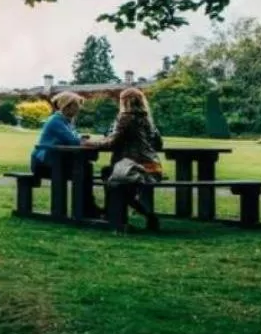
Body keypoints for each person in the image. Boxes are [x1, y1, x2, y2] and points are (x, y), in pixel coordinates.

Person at [90, 88, 164, 230]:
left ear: (124, 101)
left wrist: (89, 143)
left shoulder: (126, 117)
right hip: (153, 168)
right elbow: (159, 143)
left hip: (134, 168)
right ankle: (141, 215)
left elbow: (111, 141)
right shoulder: (148, 119)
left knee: (113, 179)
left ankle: (117, 218)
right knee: (112, 176)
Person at [30, 91, 102, 217]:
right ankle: (86, 209)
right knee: (84, 169)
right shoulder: (56, 121)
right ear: (66, 106)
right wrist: (83, 140)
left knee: (86, 167)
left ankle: (87, 208)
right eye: (76, 105)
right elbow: (73, 141)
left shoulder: (67, 121)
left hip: (56, 161)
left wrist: (81, 138)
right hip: (44, 164)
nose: (79, 109)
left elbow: (73, 138)